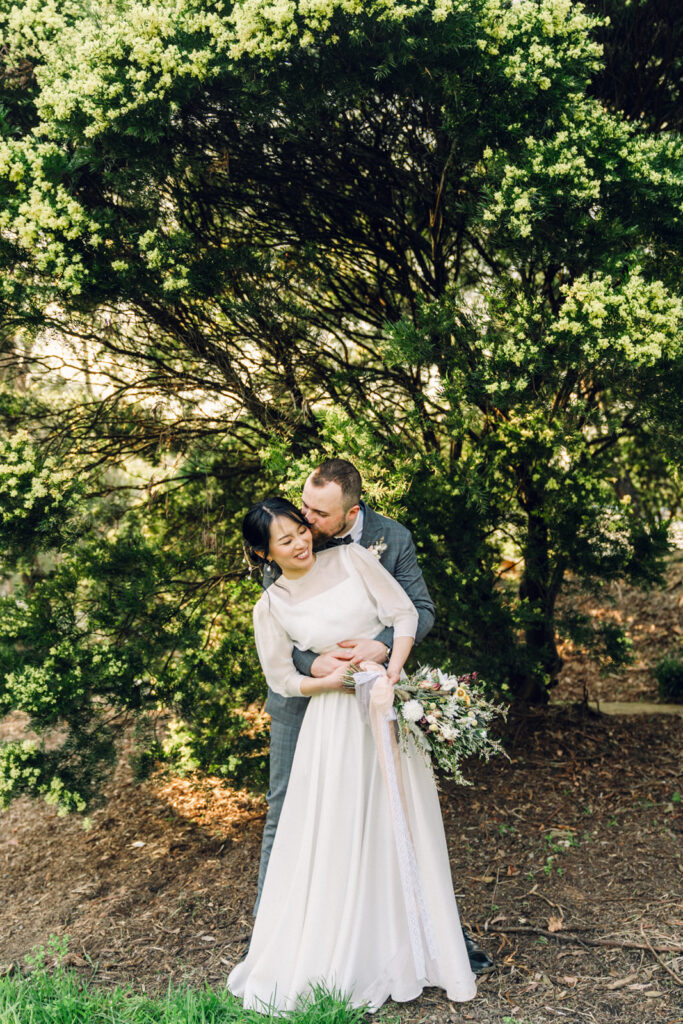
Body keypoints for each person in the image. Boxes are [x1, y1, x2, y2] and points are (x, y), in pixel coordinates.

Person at [228, 497, 478, 1012]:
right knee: (342, 829)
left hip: (385, 708)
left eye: (300, 530)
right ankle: (347, 948)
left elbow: (404, 613)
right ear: (264, 552)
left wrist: (389, 671)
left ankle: (412, 946)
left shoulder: (353, 559)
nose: (299, 543)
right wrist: (331, 682)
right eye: (285, 540)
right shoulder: (270, 605)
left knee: (399, 821)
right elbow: (281, 678)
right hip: (332, 727)